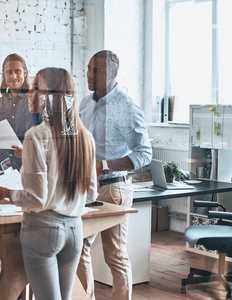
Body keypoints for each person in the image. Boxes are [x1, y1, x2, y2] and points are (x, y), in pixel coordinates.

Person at [0, 67, 98, 300]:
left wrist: (7, 193)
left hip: (43, 228)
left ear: (54, 95)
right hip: (75, 230)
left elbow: (37, 198)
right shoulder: (85, 137)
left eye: (37, 88)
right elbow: (90, 193)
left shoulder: (36, 135)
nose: (29, 92)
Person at [76, 50, 152, 300]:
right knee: (79, 247)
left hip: (114, 188)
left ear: (113, 73)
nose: (89, 75)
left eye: (96, 70)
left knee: (114, 254)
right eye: (88, 68)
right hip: (86, 188)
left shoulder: (127, 107)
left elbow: (144, 153)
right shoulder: (85, 103)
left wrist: (106, 165)